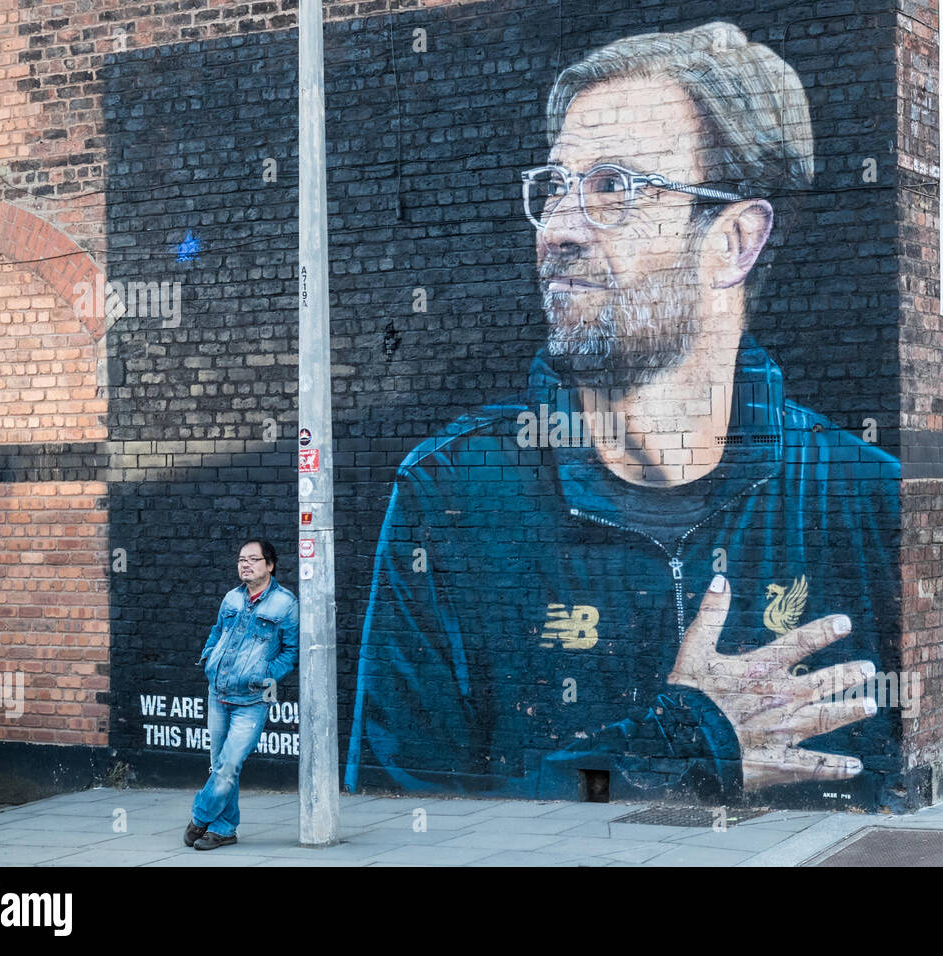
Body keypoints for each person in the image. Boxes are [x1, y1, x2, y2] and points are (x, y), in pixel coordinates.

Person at [346, 22, 902, 804]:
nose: (561, 229)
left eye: (615, 188)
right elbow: (404, 816)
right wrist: (679, 748)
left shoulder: (865, 498)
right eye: (557, 187)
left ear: (735, 241)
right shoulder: (453, 496)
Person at [185, 538, 298, 849]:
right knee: (220, 765)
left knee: (229, 764)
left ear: (270, 565)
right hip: (218, 693)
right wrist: (209, 657)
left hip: (252, 699)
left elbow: (290, 653)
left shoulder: (285, 604)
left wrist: (263, 674)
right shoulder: (232, 599)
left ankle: (200, 817)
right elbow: (217, 631)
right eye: (240, 560)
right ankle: (223, 829)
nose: (245, 564)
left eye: (253, 559)